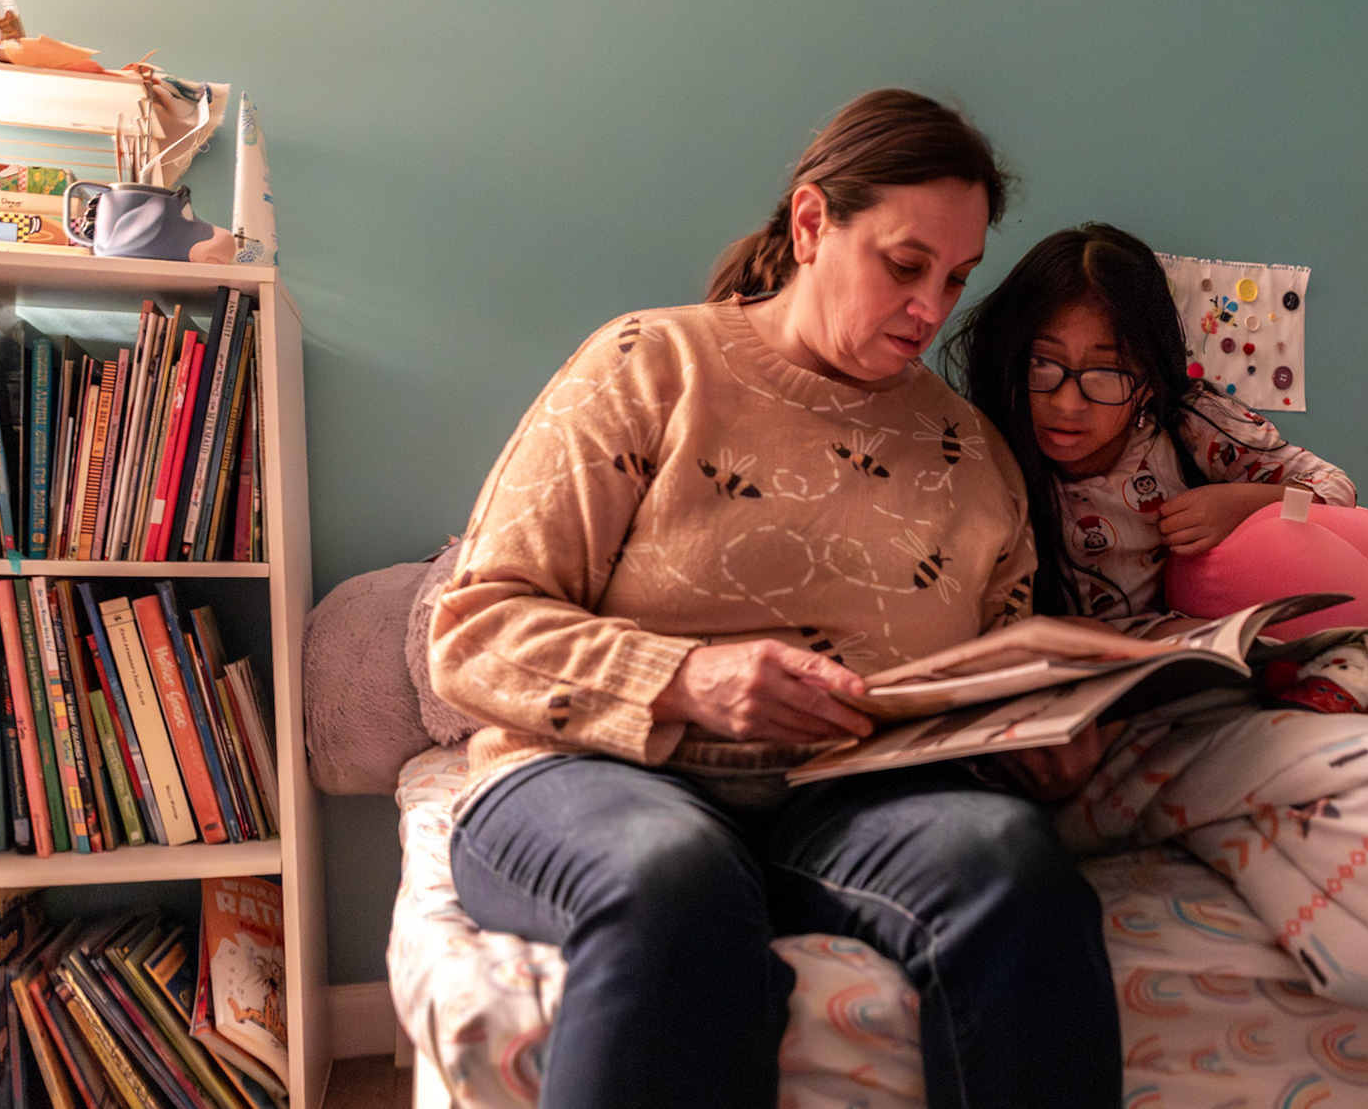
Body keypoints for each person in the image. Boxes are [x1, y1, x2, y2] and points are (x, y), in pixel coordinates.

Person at [430, 90, 1122, 1109]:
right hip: (596, 774)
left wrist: (1041, 744)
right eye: (903, 263)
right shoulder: (649, 362)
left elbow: (996, 667)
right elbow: (476, 628)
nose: (933, 307)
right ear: (811, 224)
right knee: (675, 874)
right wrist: (687, 677)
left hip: (847, 798)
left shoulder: (972, 451)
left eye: (956, 277)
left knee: (1011, 862)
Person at [944, 222, 1356, 633]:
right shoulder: (986, 449)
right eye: (1041, 364)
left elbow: (1337, 491)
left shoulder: (1193, 425)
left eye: (1107, 371)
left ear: (1147, 381)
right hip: (1060, 659)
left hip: (1183, 645)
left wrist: (1248, 503)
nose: (1067, 403)